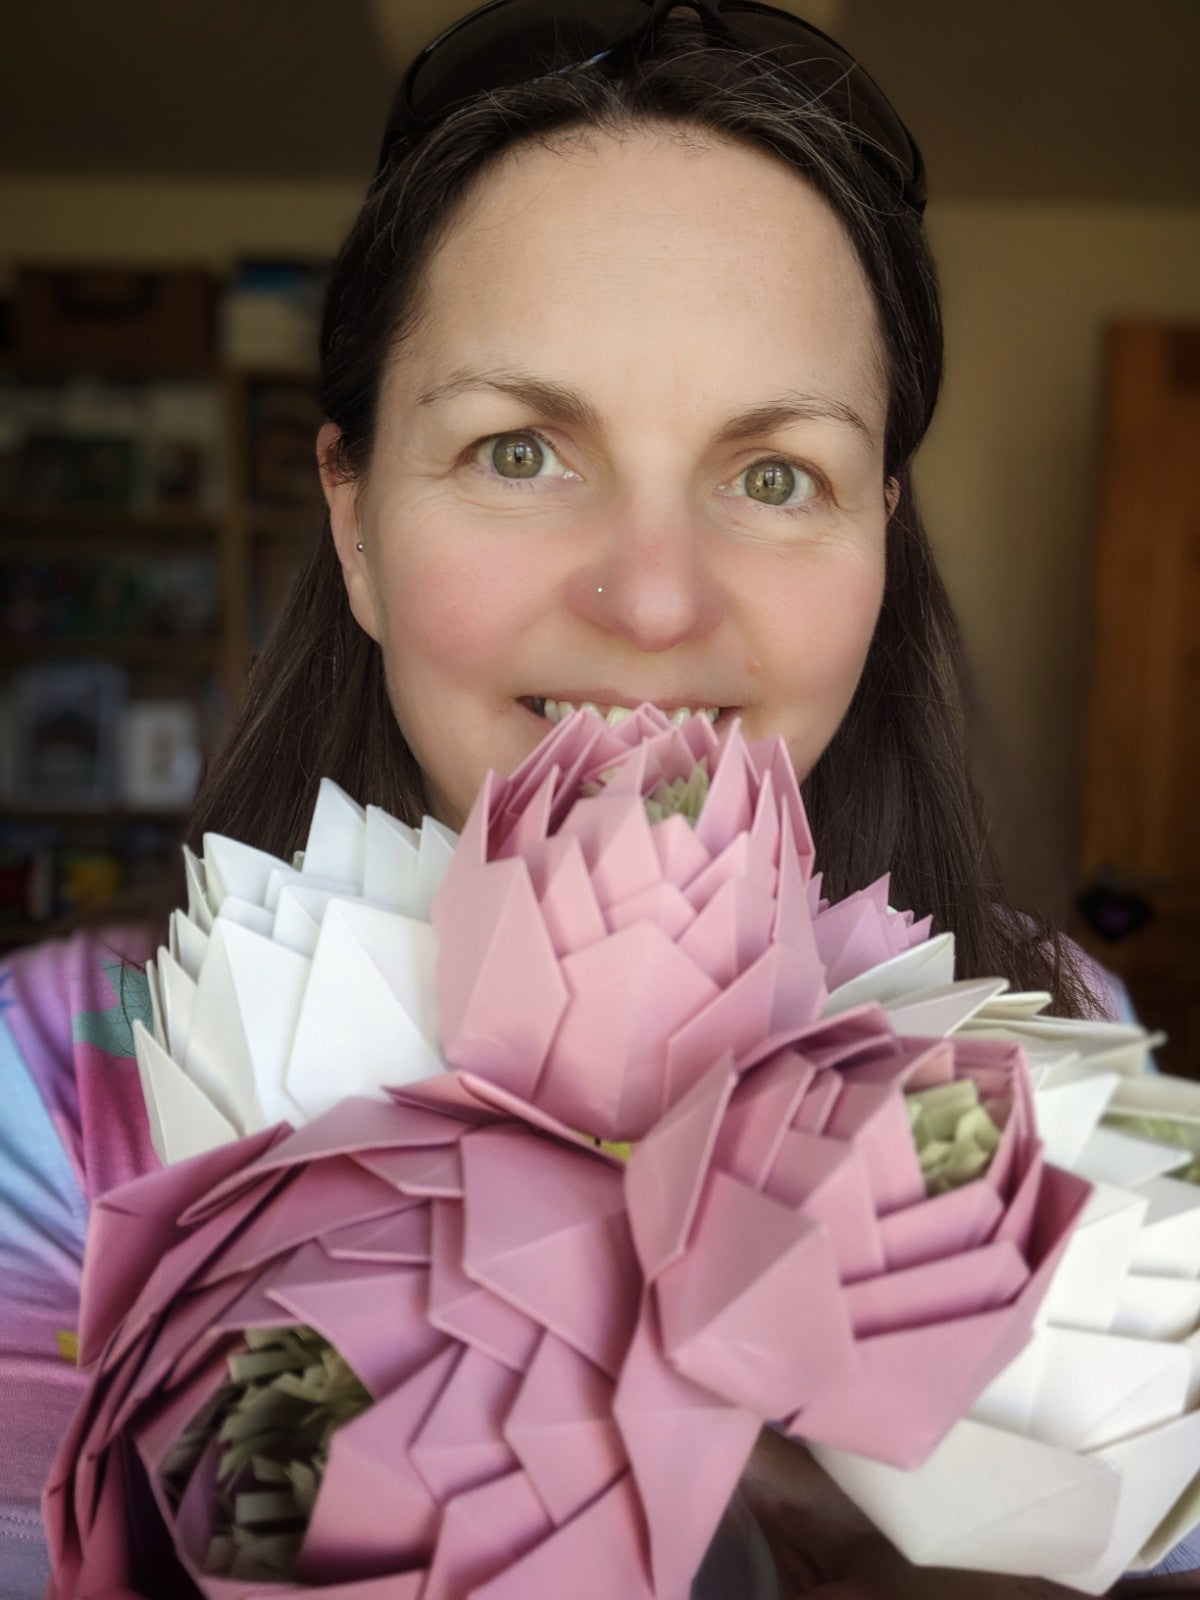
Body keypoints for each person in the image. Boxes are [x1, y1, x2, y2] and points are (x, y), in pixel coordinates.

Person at [1, 1, 1194, 1594]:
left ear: (881, 535)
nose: (652, 602)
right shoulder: (48, 1094)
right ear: (353, 520)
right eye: (518, 450)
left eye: (775, 475)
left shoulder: (1039, 1027)